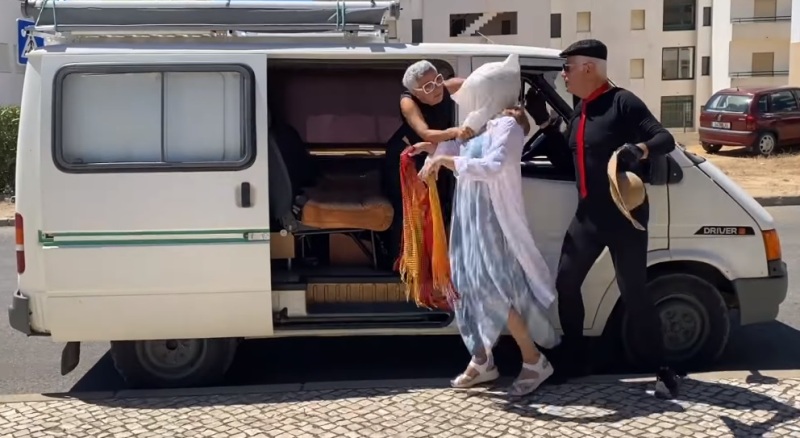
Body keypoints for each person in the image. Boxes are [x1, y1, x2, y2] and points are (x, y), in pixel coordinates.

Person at [527, 39, 682, 399]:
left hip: (625, 216)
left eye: (567, 68)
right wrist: (546, 124)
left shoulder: (622, 103)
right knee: (566, 284)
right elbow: (568, 165)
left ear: (589, 68)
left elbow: (665, 138)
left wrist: (638, 149)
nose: (563, 75)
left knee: (633, 292)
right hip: (588, 217)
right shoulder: (580, 111)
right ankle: (575, 359)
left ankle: (663, 368)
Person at [413, 54, 560, 397]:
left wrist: (446, 160)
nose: (471, 101)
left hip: (491, 218)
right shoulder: (480, 122)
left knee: (494, 289)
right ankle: (482, 359)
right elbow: (458, 146)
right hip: (469, 214)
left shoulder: (507, 126)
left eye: (477, 94)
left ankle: (534, 360)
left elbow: (493, 166)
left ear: (490, 93)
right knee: (466, 285)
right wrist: (433, 152)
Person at [383, 61, 468, 264]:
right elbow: (426, 133)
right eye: (428, 86)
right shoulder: (408, 101)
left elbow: (483, 84)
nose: (436, 88)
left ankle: (436, 263)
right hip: (409, 155)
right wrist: (457, 132)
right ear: (416, 92)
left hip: (437, 152)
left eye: (438, 80)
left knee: (439, 204)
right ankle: (403, 264)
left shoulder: (447, 86)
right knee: (409, 209)